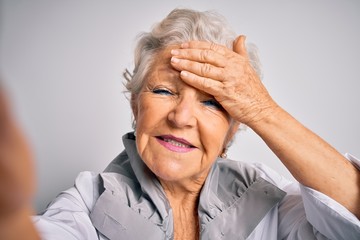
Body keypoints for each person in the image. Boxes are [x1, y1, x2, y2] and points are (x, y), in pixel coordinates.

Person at [1, 8, 359, 240]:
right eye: (162, 91)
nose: (181, 117)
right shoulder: (87, 200)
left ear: (234, 128)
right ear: (135, 105)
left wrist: (262, 110)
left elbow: (350, 220)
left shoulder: (270, 198)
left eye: (211, 102)